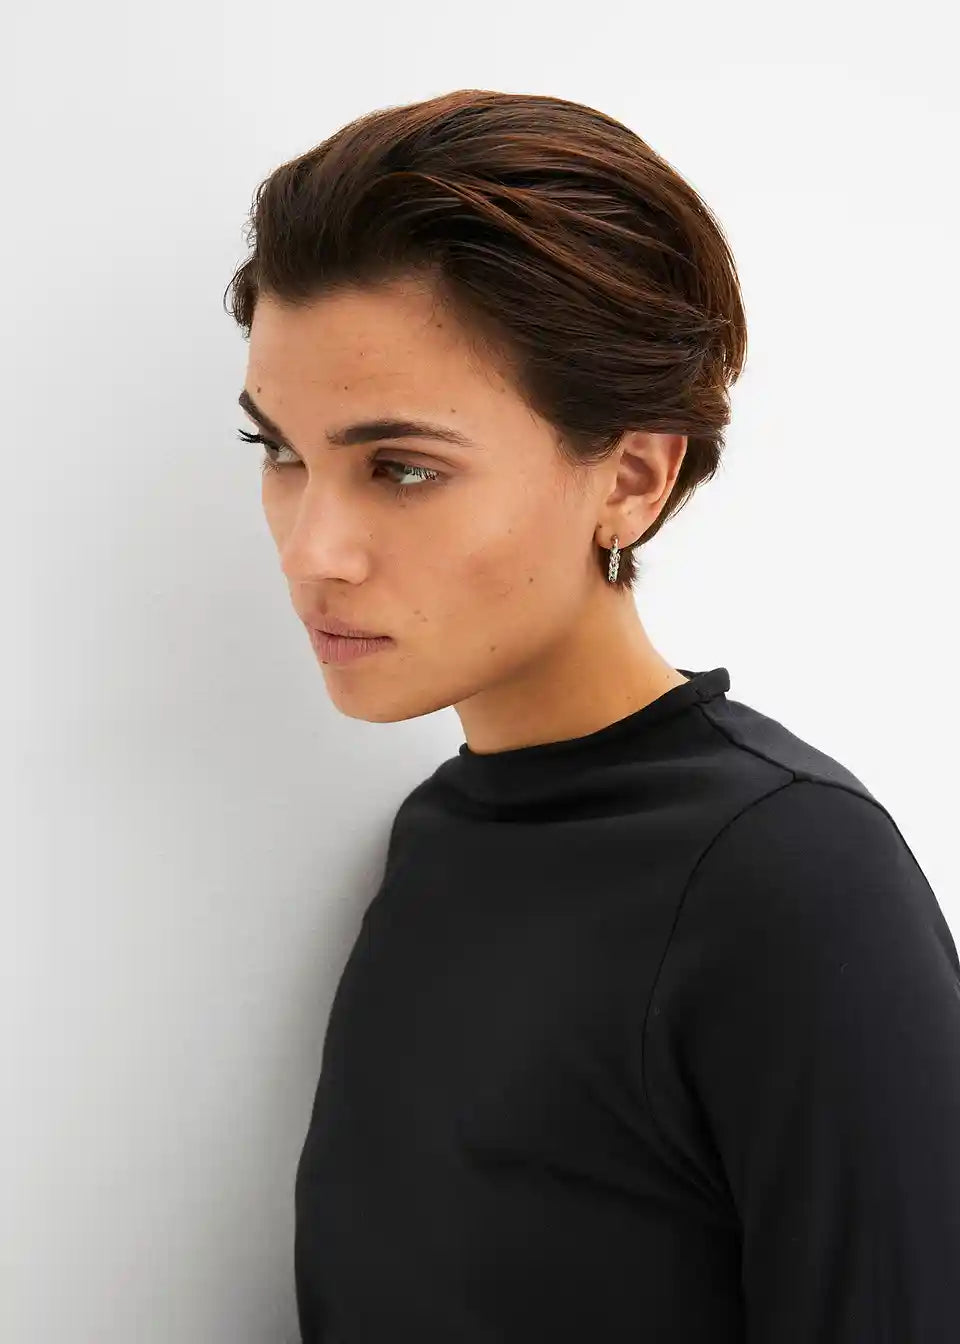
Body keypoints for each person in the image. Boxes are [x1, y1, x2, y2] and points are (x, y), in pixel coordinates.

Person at [225, 89, 960, 1343]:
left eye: (402, 467)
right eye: (282, 451)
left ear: (630, 476)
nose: (313, 551)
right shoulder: (439, 836)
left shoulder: (791, 879)